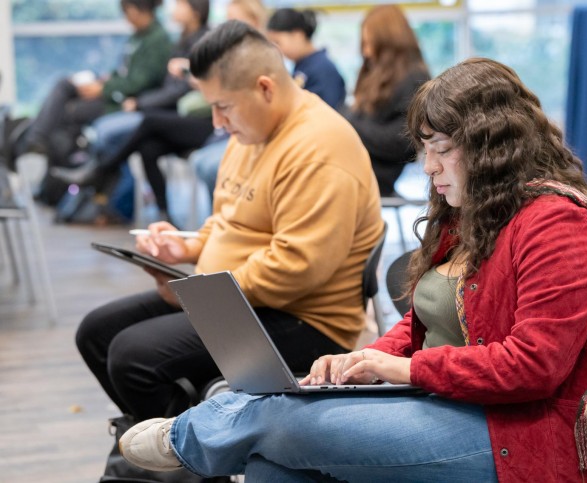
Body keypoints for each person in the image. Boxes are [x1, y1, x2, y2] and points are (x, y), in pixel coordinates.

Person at [118, 58, 587, 483]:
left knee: (275, 419)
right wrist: (367, 358)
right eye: (425, 150)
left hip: (517, 434)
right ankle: (220, 427)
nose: (428, 168)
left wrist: (402, 370)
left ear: (493, 146)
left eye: (442, 150)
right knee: (272, 464)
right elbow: (424, 324)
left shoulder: (559, 224)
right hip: (446, 403)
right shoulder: (476, 212)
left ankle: (191, 435)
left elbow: (532, 368)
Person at [74, 19, 383, 425]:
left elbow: (298, 268)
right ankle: (180, 442)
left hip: (303, 321)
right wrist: (186, 247)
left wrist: (198, 294)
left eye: (222, 106)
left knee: (134, 357)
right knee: (96, 332)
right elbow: (227, 219)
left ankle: (188, 455)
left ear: (265, 88)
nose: (217, 122)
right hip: (242, 299)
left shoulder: (319, 147)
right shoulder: (249, 134)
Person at [53, 0, 211, 223]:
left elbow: (181, 88)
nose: (173, 10)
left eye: (179, 5)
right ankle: (165, 216)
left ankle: (101, 171)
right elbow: (168, 87)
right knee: (148, 148)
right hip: (175, 112)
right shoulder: (181, 40)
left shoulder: (200, 41)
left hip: (198, 118)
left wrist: (140, 103)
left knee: (147, 122)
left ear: (196, 11)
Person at [20, 0, 171, 158]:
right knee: (64, 85)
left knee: (70, 111)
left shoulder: (158, 39)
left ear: (135, 10)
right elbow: (125, 72)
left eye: (127, 13)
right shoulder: (137, 37)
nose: (126, 19)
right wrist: (103, 81)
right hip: (114, 93)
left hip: (125, 102)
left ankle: (50, 151)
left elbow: (140, 82)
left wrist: (104, 88)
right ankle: (35, 141)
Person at [340, 4, 430, 197]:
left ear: (388, 42)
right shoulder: (376, 75)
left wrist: (350, 124)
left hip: (379, 173)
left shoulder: (414, 79)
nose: (366, 52)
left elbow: (403, 142)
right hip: (361, 163)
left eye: (370, 44)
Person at [266, 8, 346, 109]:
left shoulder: (322, 69)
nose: (276, 48)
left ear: (298, 35)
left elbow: (325, 110)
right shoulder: (303, 66)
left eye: (278, 42)